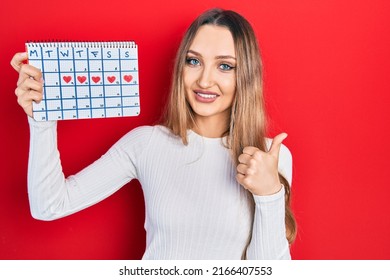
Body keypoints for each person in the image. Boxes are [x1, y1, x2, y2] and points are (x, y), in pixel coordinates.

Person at [10, 8, 296, 260]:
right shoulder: (147, 144)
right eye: (193, 61)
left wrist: (269, 193)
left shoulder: (270, 157)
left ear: (245, 75)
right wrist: (42, 120)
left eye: (224, 66)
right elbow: (49, 205)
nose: (204, 80)